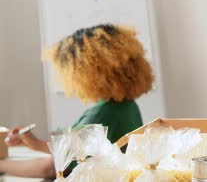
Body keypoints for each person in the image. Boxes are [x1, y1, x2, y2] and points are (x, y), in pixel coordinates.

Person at [0, 24, 153, 178]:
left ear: (87, 73)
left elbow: (50, 169)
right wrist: (37, 144)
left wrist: (2, 164)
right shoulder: (127, 106)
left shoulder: (100, 115)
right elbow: (76, 150)